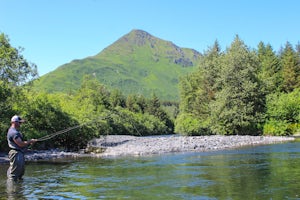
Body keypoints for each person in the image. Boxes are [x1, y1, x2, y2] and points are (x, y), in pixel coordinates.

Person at [7, 115, 37, 181]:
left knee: (20, 173)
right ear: (14, 122)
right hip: (16, 154)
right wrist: (30, 141)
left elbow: (21, 143)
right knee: (14, 175)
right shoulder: (14, 133)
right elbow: (20, 144)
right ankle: (11, 190)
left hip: (19, 153)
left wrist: (29, 143)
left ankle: (19, 189)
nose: (20, 124)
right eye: (19, 122)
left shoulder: (15, 131)